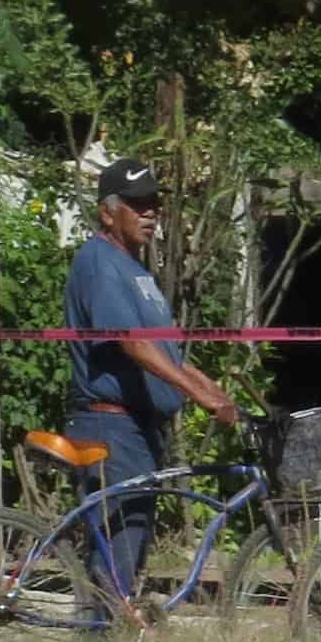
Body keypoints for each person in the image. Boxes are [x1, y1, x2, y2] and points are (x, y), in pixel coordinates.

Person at [61, 159, 243, 597]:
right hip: (111, 427)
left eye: (154, 204)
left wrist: (214, 391)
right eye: (137, 204)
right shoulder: (100, 263)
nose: (149, 213)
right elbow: (131, 343)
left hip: (138, 429)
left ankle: (112, 640)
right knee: (118, 554)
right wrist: (196, 396)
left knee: (131, 546)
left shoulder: (138, 272)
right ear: (108, 211)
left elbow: (166, 351)